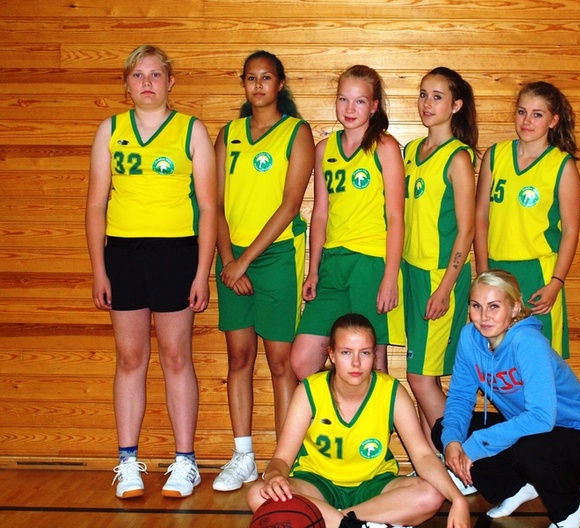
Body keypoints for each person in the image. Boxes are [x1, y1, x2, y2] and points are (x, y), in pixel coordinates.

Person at [85, 44, 217, 498]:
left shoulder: (191, 130)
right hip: (123, 254)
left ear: (170, 82)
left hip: (176, 253)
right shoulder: (110, 130)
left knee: (177, 357)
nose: (147, 82)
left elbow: (209, 207)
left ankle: (185, 462)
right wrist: (99, 270)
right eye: (138, 75)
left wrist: (201, 273)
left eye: (156, 74)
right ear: (126, 84)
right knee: (129, 358)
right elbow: (96, 205)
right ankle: (128, 462)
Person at [247, 313, 470, 528]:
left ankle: (337, 521)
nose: (356, 363)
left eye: (364, 353)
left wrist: (458, 499)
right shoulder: (310, 391)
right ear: (332, 355)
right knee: (258, 494)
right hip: (316, 484)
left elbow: (423, 456)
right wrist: (275, 476)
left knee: (431, 495)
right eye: (346, 352)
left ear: (374, 355)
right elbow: (282, 459)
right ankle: (366, 523)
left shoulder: (391, 392)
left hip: (373, 486)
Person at [434, 269, 580, 528]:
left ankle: (569, 506)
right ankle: (518, 487)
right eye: (476, 306)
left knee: (529, 449)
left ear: (515, 308)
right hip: (537, 434)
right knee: (443, 429)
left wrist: (473, 447)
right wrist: (452, 442)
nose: (484, 316)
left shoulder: (527, 342)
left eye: (494, 306)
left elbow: (541, 418)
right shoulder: (469, 339)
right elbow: (461, 397)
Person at [212, 50, 315, 492]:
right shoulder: (229, 133)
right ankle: (243, 457)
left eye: (266, 77)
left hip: (275, 257)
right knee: (239, 358)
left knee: (280, 362)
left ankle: (282, 461)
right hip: (231, 258)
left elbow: (290, 206)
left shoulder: (296, 132)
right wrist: (227, 261)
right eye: (250, 78)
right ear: (243, 83)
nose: (258, 85)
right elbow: (214, 203)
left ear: (280, 84)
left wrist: (244, 262)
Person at [290, 65, 405, 380]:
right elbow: (321, 213)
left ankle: (376, 416)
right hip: (332, 264)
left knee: (374, 364)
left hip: (371, 262)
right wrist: (313, 270)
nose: (350, 108)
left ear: (374, 106)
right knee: (302, 362)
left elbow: (396, 217)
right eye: (343, 99)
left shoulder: (385, 147)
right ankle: (341, 408)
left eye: (359, 101)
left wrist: (390, 277)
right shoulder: (324, 149)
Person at [474, 81, 580, 358]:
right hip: (497, 270)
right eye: (522, 112)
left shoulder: (562, 165)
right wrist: (484, 272)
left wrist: (556, 282)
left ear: (553, 120)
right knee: (499, 360)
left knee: (540, 361)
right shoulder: (496, 156)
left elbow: (570, 231)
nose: (527, 121)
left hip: (538, 273)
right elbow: (481, 216)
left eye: (537, 114)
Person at [402, 67, 477, 445]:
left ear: (456, 105)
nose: (426, 103)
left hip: (438, 276)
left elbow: (466, 230)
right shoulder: (411, 151)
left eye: (437, 96)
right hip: (410, 273)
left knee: (420, 377)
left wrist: (446, 287)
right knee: (421, 374)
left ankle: (458, 458)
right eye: (422, 94)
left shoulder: (458, 158)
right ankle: (435, 459)